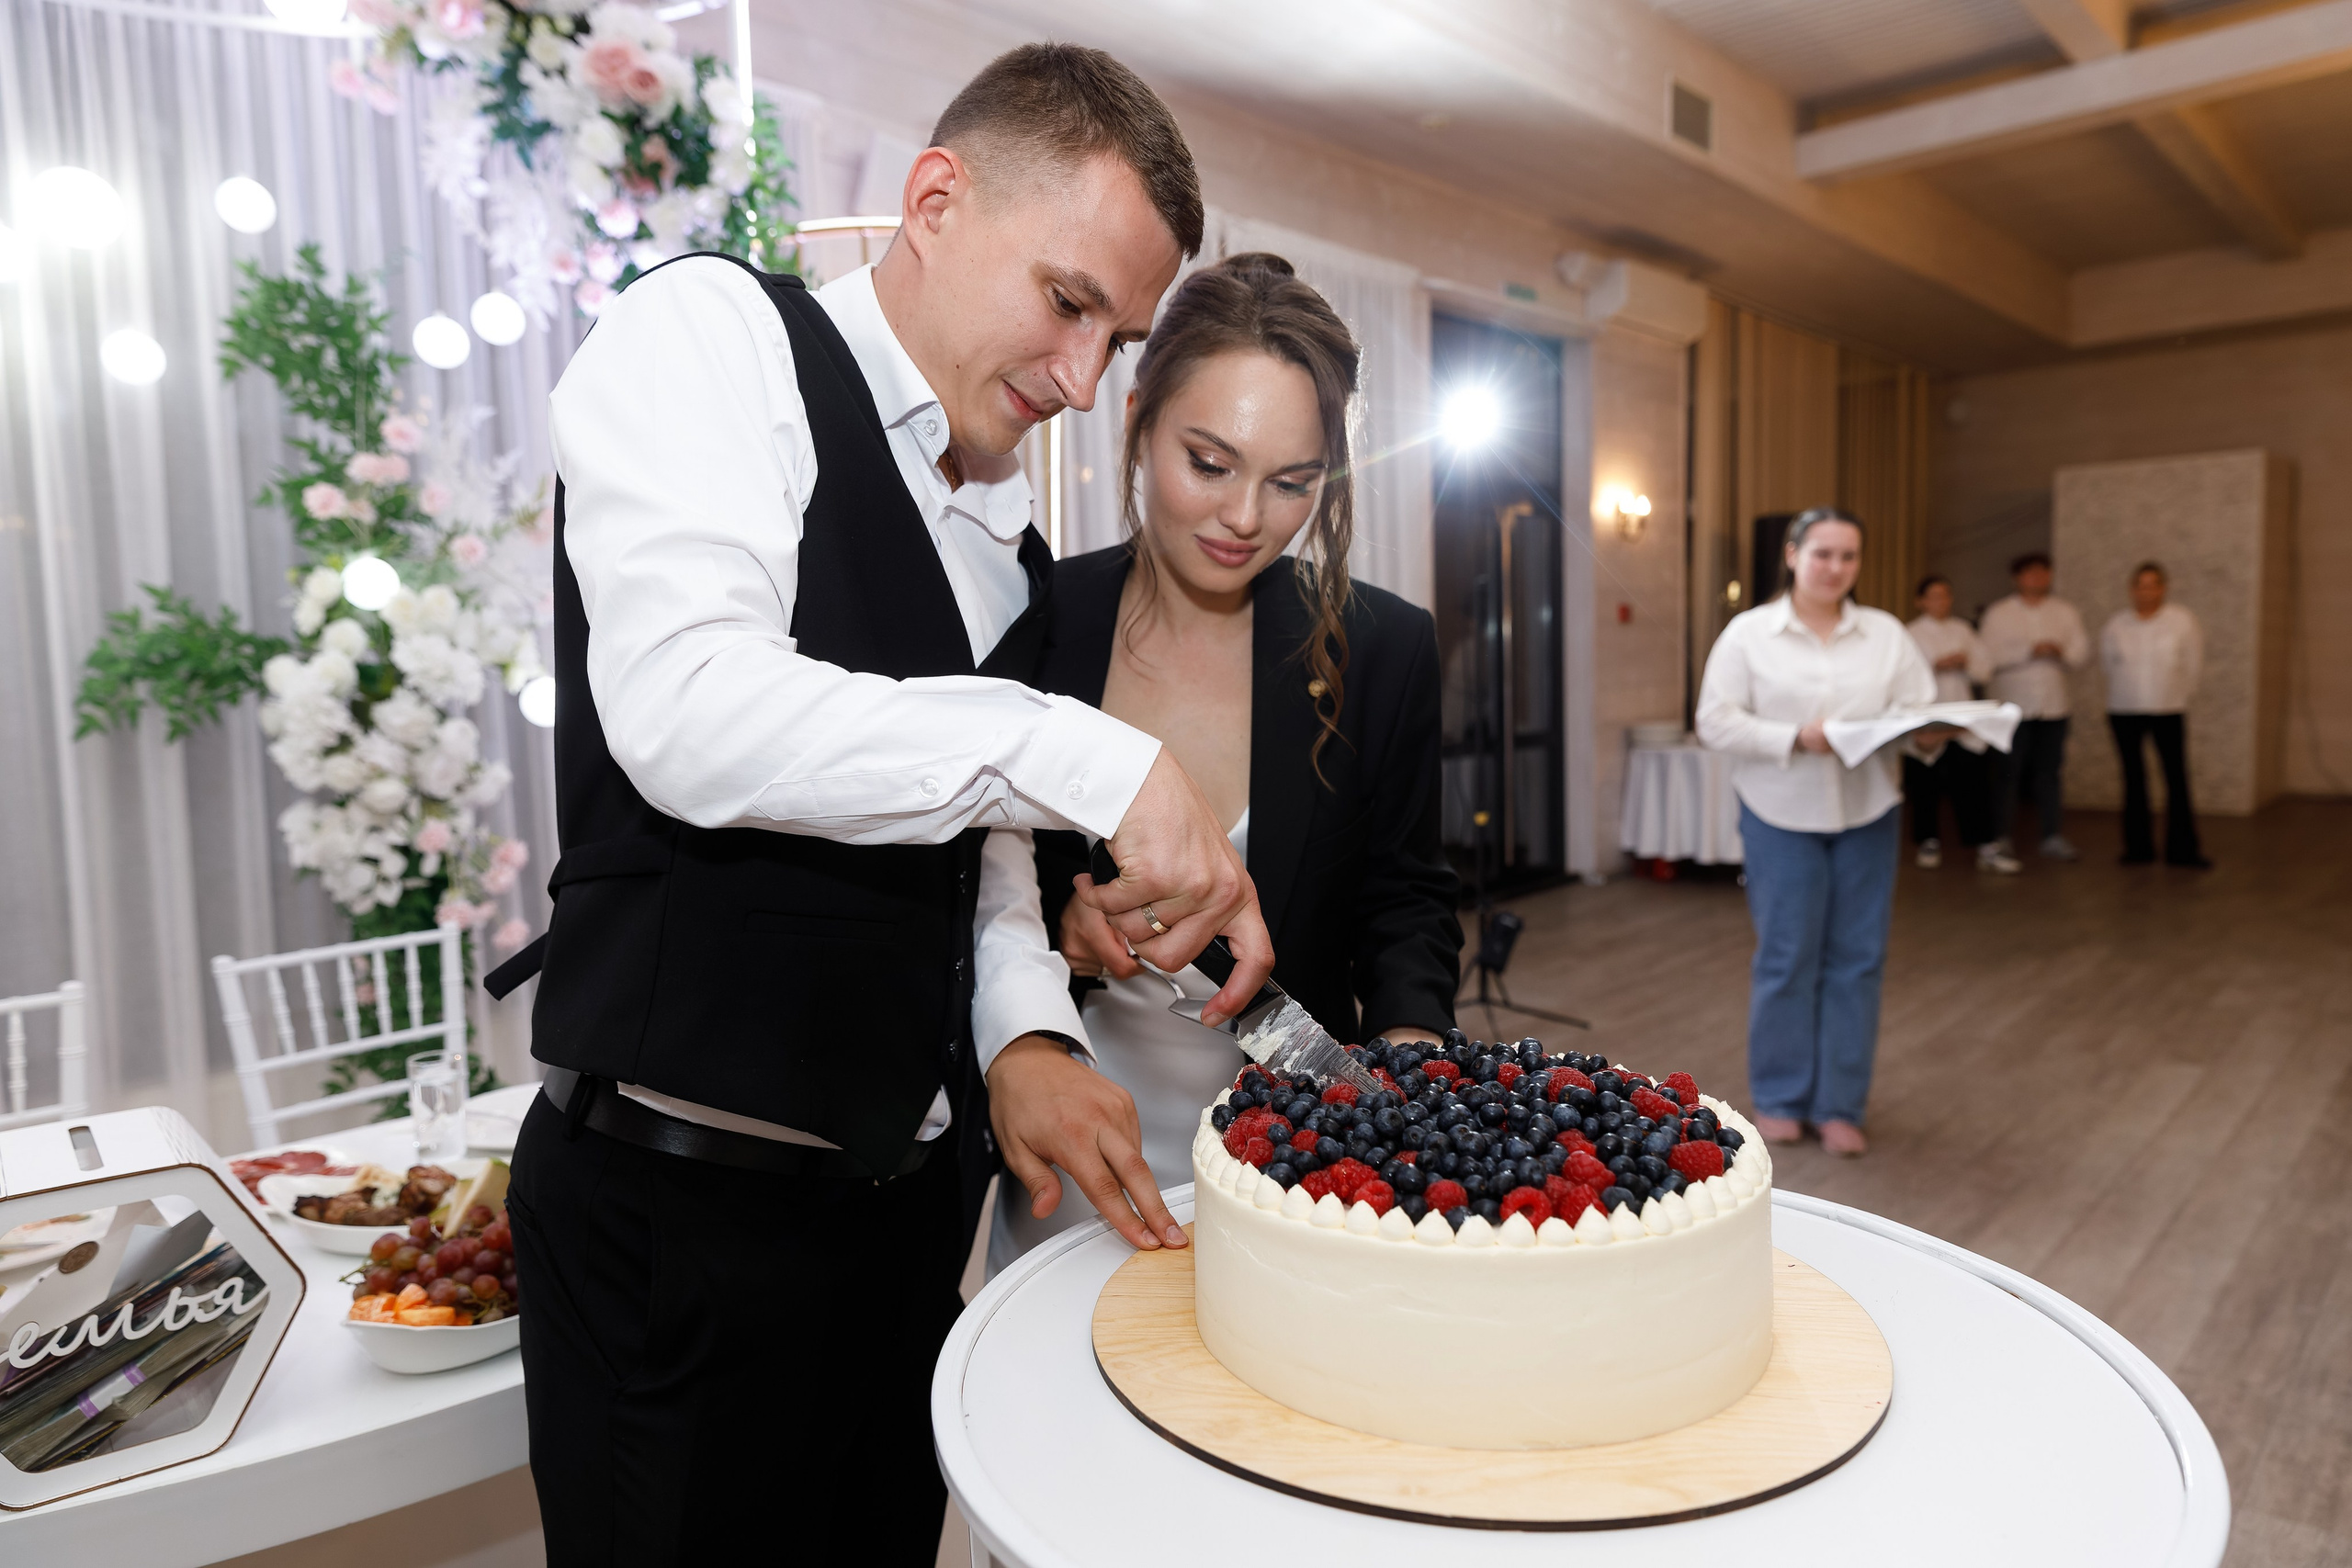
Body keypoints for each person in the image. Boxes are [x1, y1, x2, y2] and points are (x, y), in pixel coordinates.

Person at [489, 47, 1277, 1565]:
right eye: (1067, 303)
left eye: (1117, 336)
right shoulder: (711, 336)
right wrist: (1098, 755)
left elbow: (979, 865)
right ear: (934, 200)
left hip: (911, 1226)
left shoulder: (1008, 541)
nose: (1081, 378)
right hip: (681, 1226)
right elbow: (691, 719)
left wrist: (1027, 1034)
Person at [990, 254, 1464, 1269]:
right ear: (1136, 424)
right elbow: (960, 887)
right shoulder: (1035, 622)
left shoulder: (1382, 649)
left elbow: (1406, 901)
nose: (1246, 518)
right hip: (1079, 1144)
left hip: (1294, 1157)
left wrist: (1409, 1055)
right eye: (1208, 463)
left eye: (1291, 483)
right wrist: (1055, 933)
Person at [1697, 507, 1937, 1158]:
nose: (1836, 568)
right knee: (1786, 957)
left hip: (1869, 809)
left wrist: (1931, 733)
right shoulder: (1750, 634)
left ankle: (1839, 1104)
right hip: (1780, 810)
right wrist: (1794, 737)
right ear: (1793, 554)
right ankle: (1777, 1097)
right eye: (1824, 553)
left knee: (1858, 960)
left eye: (1849, 557)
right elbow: (1714, 721)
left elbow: (1921, 712)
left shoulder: (1885, 634)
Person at [1980, 551, 2091, 863]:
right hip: (2012, 706)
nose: (2037, 579)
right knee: (2006, 773)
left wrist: (2060, 650)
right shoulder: (1999, 613)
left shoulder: (2065, 612)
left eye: (2043, 573)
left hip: (2054, 705)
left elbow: (2081, 653)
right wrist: (2029, 651)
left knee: (2050, 773)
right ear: (2017, 578)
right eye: (2029, 573)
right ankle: (2000, 837)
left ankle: (2052, 834)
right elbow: (1987, 658)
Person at [1903, 574, 2015, 874]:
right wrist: (1935, 665)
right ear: (1921, 601)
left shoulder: (1963, 630)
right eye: (1934, 596)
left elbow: (1985, 669)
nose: (1941, 601)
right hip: (1926, 716)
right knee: (1926, 783)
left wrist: (1964, 663)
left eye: (1946, 595)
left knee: (1973, 782)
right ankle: (1928, 840)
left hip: (1962, 715)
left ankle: (1984, 845)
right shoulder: (1909, 633)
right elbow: (1901, 676)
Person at [2102, 561, 2209, 868]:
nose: (2146, 591)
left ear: (2163, 588)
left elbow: (2193, 665)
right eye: (2140, 585)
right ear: (2132, 589)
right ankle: (2138, 848)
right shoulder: (2117, 624)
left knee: (2176, 778)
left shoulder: (2182, 621)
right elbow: (2108, 664)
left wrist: (2178, 695)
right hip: (2124, 709)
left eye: (2153, 585)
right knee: (2133, 778)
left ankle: (2183, 850)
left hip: (2168, 708)